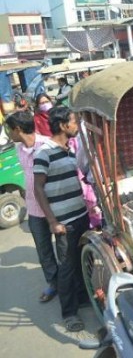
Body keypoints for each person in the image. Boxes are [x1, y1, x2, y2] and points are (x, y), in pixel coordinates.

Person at [33, 107, 89, 332]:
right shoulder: (44, 152)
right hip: (63, 221)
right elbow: (38, 188)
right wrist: (52, 222)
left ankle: (83, 298)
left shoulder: (69, 151)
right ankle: (69, 313)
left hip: (81, 215)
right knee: (66, 266)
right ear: (63, 125)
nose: (77, 125)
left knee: (80, 262)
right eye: (74, 122)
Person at [5, 111, 59, 303]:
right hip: (34, 211)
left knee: (64, 250)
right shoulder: (19, 148)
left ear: (18, 129)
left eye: (8, 128)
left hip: (55, 208)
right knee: (44, 251)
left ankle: (74, 286)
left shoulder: (47, 145)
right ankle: (54, 284)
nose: (7, 132)